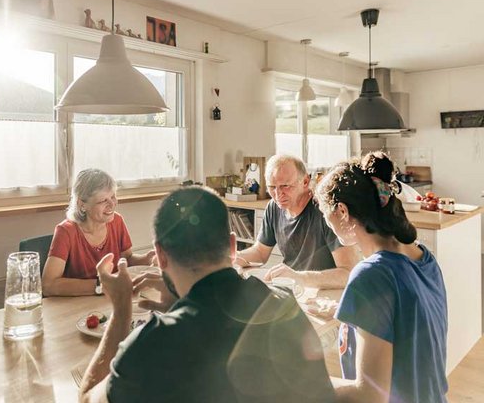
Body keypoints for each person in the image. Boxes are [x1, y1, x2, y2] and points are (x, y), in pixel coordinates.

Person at [79, 187, 335, 403]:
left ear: (160, 255)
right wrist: (182, 305)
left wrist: (121, 310)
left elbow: (87, 398)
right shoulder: (284, 302)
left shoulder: (153, 342)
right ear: (233, 247)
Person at [314, 152, 448, 402]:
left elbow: (368, 396)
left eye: (325, 215)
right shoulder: (424, 258)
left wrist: (300, 383)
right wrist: (349, 314)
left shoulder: (370, 275)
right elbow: (403, 321)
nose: (326, 223)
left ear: (342, 211)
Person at [235, 154, 359, 289]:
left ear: (305, 182)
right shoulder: (273, 207)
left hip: (327, 293)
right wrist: (232, 258)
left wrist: (298, 277)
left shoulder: (326, 210)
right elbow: (260, 253)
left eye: (285, 186)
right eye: (272, 187)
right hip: (296, 289)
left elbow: (348, 273)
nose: (278, 194)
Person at [42, 169, 154, 296]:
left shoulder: (117, 221)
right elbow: (48, 285)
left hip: (110, 300)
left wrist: (147, 259)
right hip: (77, 305)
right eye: (103, 201)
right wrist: (100, 285)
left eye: (113, 197)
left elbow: (126, 259)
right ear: (82, 205)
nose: (112, 204)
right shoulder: (66, 231)